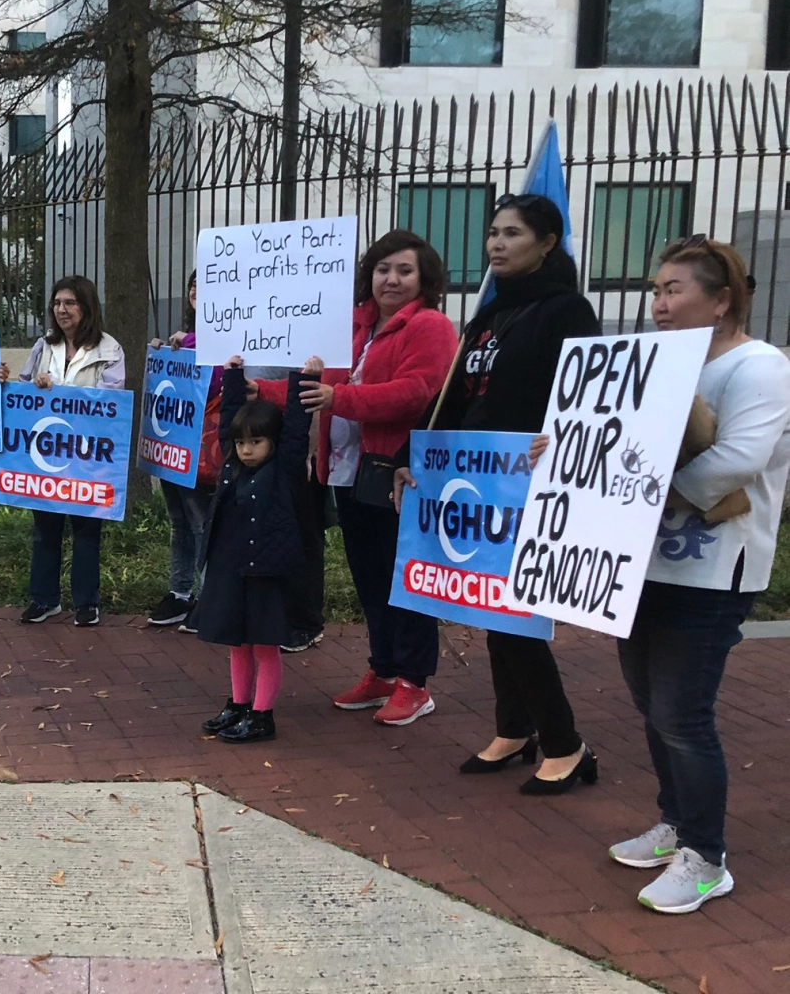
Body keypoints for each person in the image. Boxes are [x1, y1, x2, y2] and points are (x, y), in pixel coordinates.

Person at [602, 237, 790, 913]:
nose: (658, 303)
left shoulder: (758, 366)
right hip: (643, 563)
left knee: (682, 714)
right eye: (655, 290)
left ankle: (706, 858)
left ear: (721, 300)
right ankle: (676, 823)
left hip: (713, 570)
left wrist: (642, 496)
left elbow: (737, 460)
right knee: (650, 704)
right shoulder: (654, 364)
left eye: (674, 289)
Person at [394, 193, 601, 793]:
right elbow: (454, 399)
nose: (496, 244)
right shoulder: (486, 317)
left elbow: (587, 399)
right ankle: (514, 728)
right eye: (493, 232)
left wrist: (558, 441)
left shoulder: (567, 311)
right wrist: (411, 458)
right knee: (488, 608)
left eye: (512, 233)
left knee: (516, 617)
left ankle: (565, 744)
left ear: (547, 242)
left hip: (531, 486)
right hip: (480, 486)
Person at [256, 231, 458, 725]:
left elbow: (416, 393)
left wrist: (340, 399)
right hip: (348, 474)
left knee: (403, 580)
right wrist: (259, 388)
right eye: (383, 269)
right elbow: (317, 387)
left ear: (424, 279)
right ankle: (383, 670)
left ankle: (415, 682)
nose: (391, 279)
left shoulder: (430, 326)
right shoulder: (352, 326)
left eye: (405, 270)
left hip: (397, 474)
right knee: (370, 579)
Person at [196, 354, 323, 743]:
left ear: (272, 442)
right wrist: (233, 375)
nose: (247, 450)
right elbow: (230, 420)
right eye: (242, 443)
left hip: (267, 572)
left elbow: (297, 429)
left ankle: (262, 713)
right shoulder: (232, 465)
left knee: (265, 645)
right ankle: (238, 704)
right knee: (238, 642)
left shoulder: (284, 470)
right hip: (233, 569)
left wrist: (305, 378)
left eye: (256, 442)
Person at [0, 275, 126, 627]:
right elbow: (23, 390)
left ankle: (86, 603)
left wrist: (60, 390)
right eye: (57, 303)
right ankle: (44, 599)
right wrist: (27, 384)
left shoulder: (109, 349)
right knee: (45, 530)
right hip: (46, 455)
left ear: (87, 307)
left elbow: (110, 402)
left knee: (86, 532)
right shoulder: (43, 346)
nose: (62, 309)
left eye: (70, 302)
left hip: (88, 458)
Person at [146, 273, 221, 628]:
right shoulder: (186, 335)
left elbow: (214, 378)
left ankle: (210, 599)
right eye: (193, 284)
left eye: (205, 284)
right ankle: (179, 593)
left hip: (199, 445)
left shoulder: (223, 335)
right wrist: (162, 352)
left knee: (201, 523)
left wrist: (189, 343)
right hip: (173, 443)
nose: (196, 290)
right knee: (179, 521)